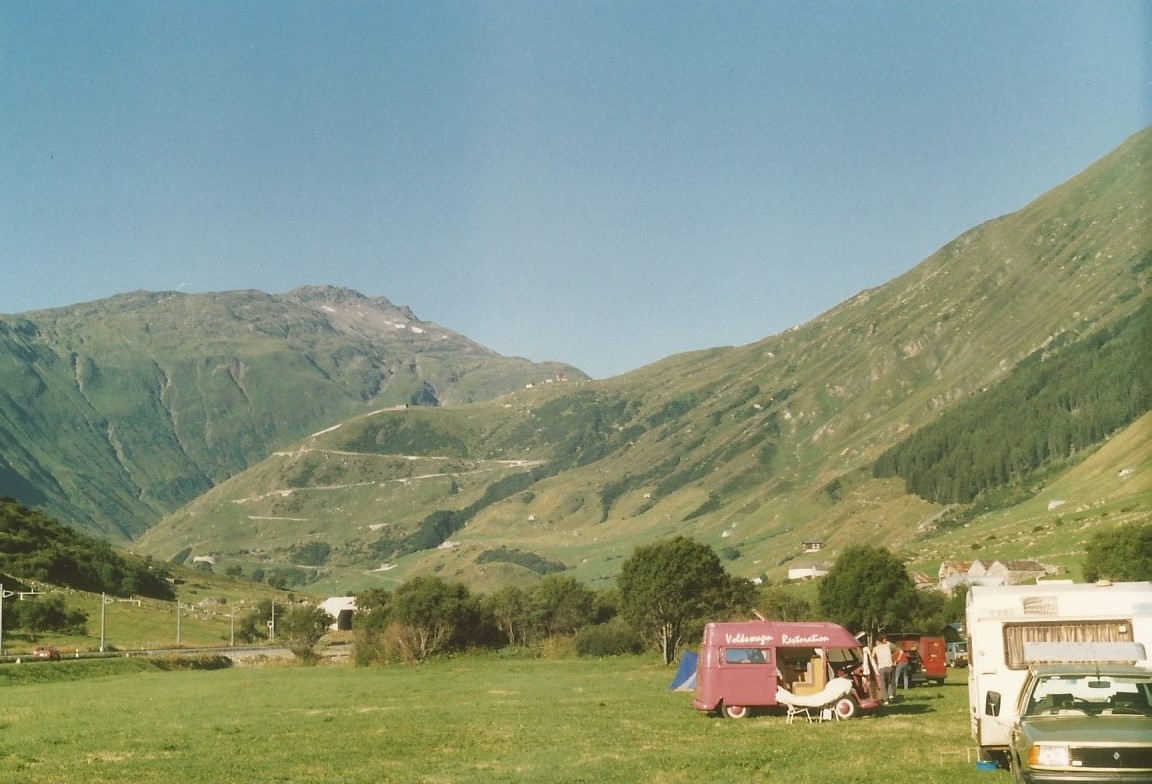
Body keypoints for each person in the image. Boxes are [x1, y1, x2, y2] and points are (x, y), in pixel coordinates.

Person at [873, 633, 896, 703]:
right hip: (889, 666)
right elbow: (895, 648)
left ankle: (885, 700)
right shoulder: (887, 646)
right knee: (889, 682)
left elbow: (872, 656)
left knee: (883, 684)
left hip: (881, 667)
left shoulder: (875, 648)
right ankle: (890, 695)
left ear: (878, 641)